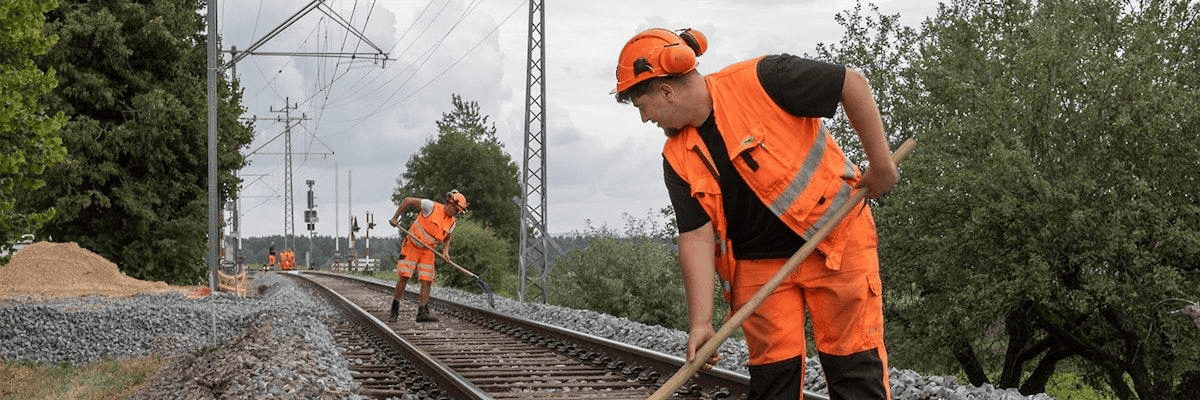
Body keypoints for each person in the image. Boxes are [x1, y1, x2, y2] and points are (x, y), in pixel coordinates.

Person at [613, 28, 899, 400]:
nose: (645, 119)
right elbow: (696, 235)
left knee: (854, 370)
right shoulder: (676, 156)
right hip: (759, 270)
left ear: (665, 92)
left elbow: (851, 83)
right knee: (772, 382)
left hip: (836, 240)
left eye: (642, 107)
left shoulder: (764, 79)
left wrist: (882, 165)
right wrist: (700, 323)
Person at [386, 190, 468, 323]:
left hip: (428, 251)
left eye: (458, 212)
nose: (456, 213)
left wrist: (445, 251)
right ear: (450, 203)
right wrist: (395, 218)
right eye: (456, 210)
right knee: (404, 276)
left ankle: (423, 312)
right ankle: (394, 309)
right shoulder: (430, 206)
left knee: (427, 280)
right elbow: (407, 200)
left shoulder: (452, 222)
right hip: (412, 245)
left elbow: (447, 237)